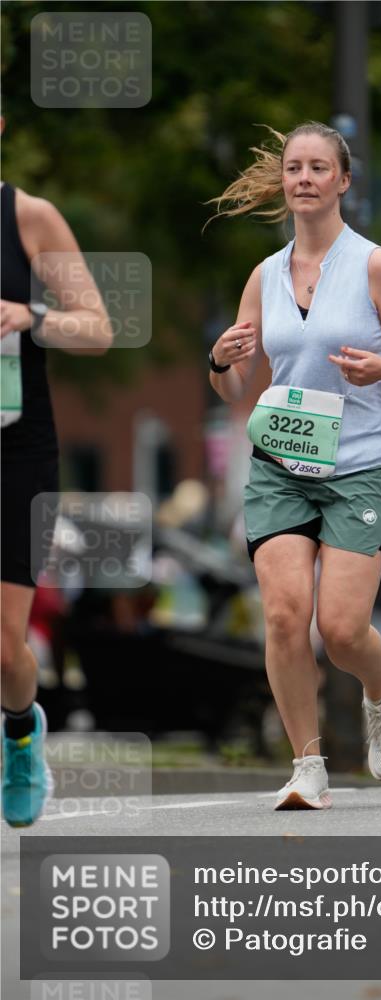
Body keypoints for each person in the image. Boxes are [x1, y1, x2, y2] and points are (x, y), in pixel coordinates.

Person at [207, 121, 381, 809]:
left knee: (340, 631)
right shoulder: (263, 276)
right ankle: (306, 764)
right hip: (280, 456)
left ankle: (379, 688)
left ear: (342, 181)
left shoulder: (373, 265)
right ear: (282, 182)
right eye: (293, 168)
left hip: (360, 464)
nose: (303, 178)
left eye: (317, 167)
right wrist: (219, 362)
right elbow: (234, 387)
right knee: (283, 615)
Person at [1, 126, 112, 827]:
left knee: (1, 641)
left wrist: (29, 314)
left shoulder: (27, 216)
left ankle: (18, 735)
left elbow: (98, 329)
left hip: (15, 446)